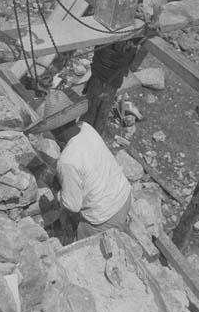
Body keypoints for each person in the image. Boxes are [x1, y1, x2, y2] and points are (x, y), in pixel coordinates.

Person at [27, 89, 132, 240]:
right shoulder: (86, 128)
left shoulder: (67, 161)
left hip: (104, 216)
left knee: (88, 249)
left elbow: (73, 205)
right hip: (124, 195)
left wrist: (57, 195)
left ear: (56, 130)